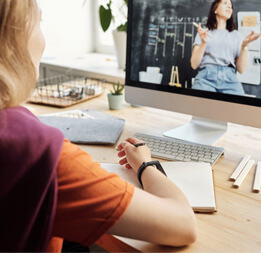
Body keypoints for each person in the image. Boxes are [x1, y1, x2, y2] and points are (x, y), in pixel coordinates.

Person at [0, 0, 197, 252]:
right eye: (39, 22)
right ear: (11, 43)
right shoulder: (40, 153)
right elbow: (183, 225)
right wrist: (146, 164)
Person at [191, 0, 261, 95]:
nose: (229, 7)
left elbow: (241, 69)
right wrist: (203, 42)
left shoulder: (237, 35)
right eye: (225, 3)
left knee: (239, 107)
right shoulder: (204, 32)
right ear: (215, 9)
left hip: (230, 79)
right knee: (201, 107)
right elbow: (194, 64)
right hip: (205, 78)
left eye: (231, 6)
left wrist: (244, 46)